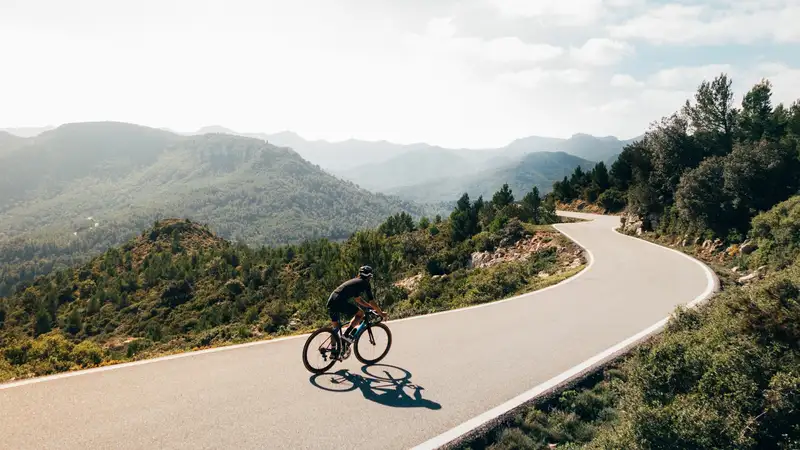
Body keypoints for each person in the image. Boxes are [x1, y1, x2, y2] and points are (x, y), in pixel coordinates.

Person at [326, 265, 387, 345]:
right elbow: (372, 301)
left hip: (331, 300)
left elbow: (358, 300)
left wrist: (370, 307)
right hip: (339, 302)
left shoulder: (356, 282)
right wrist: (381, 313)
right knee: (360, 314)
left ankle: (334, 352)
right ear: (369, 276)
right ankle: (346, 335)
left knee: (335, 329)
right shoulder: (365, 284)